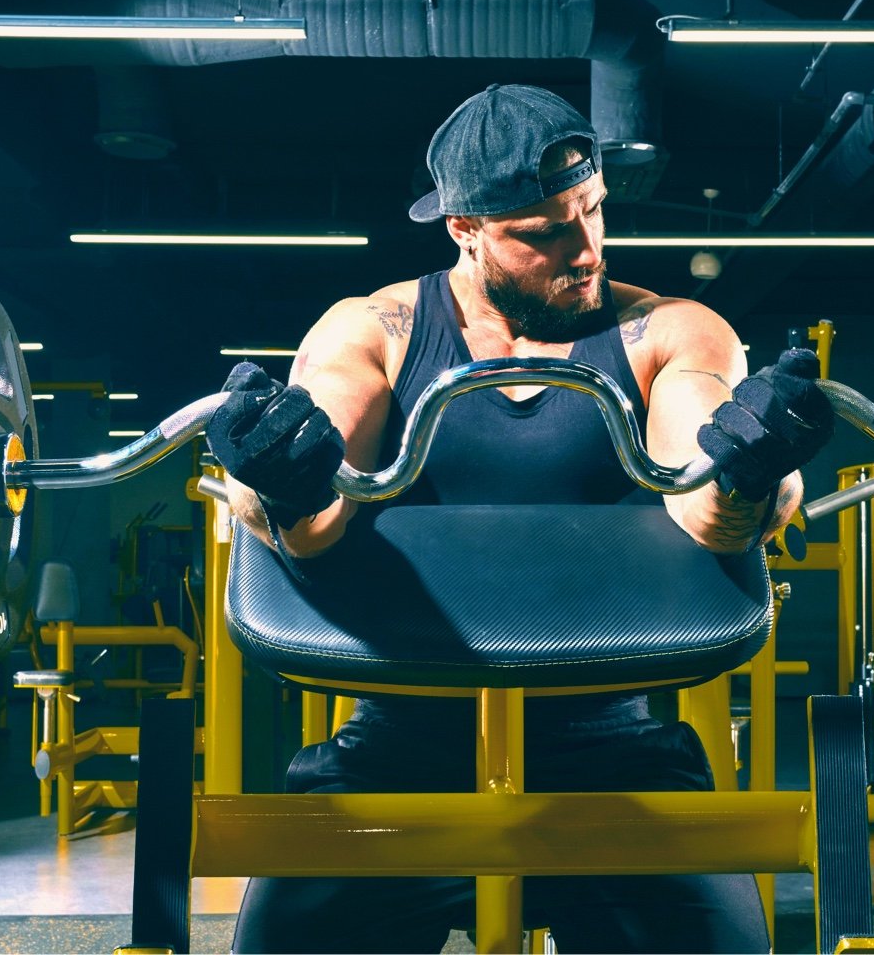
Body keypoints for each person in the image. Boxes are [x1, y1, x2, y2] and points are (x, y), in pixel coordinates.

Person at [209, 83, 834, 953]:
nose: (587, 249)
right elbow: (314, 512)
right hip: (400, 751)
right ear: (464, 228)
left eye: (594, 211)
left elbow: (706, 514)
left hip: (617, 755)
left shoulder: (667, 330)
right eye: (545, 231)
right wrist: (284, 478)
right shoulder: (378, 328)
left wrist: (748, 466)